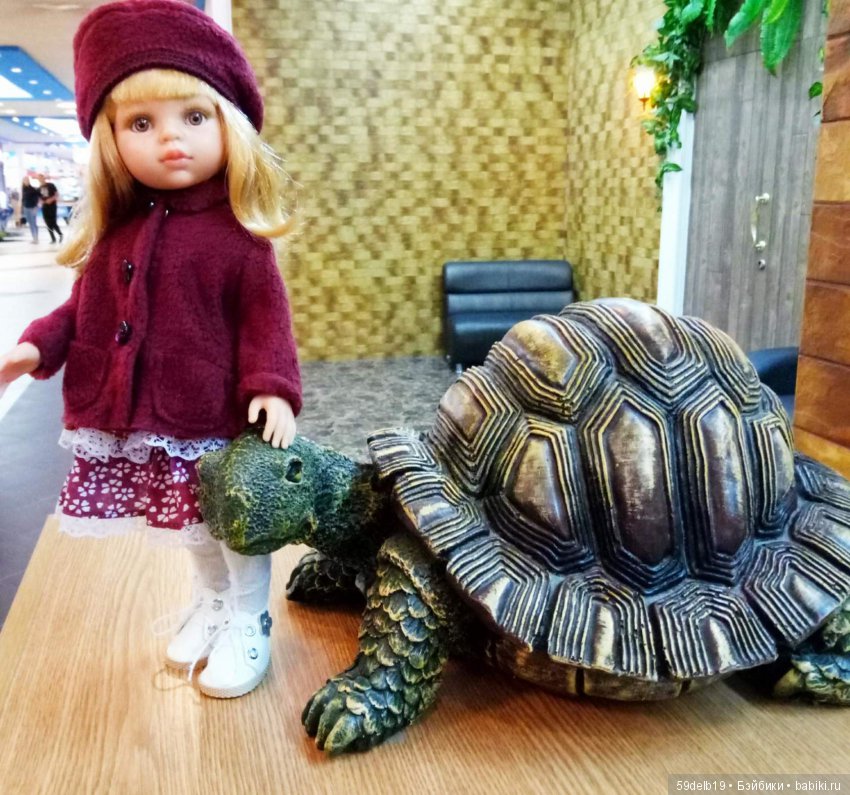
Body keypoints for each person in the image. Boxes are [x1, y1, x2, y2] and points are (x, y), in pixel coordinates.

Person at [0, 0, 302, 699]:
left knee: (229, 518)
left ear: (229, 125)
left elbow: (267, 320)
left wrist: (272, 386)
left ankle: (249, 615)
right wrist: (34, 349)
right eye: (142, 123)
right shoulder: (116, 235)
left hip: (215, 415)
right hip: (148, 414)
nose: (172, 139)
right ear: (110, 140)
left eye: (194, 117)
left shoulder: (239, 238)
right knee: (187, 522)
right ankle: (212, 602)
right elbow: (82, 310)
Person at [37, 174, 63, 243]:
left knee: (53, 222)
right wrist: (42, 201)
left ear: (43, 178)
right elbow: (39, 198)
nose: (40, 179)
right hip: (45, 206)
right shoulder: (38, 188)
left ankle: (60, 234)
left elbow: (56, 194)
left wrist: (51, 199)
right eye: (39, 178)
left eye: (41, 177)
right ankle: (53, 238)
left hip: (52, 206)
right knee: (47, 223)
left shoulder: (50, 185)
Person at [21, 176, 40, 243]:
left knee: (33, 223)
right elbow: (23, 199)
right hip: (26, 208)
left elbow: (37, 198)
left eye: (27, 180)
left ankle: (36, 238)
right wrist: (22, 208)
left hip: (32, 208)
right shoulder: (24, 189)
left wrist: (35, 207)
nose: (26, 181)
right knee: (30, 223)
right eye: (24, 180)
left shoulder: (32, 189)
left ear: (29, 181)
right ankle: (34, 238)